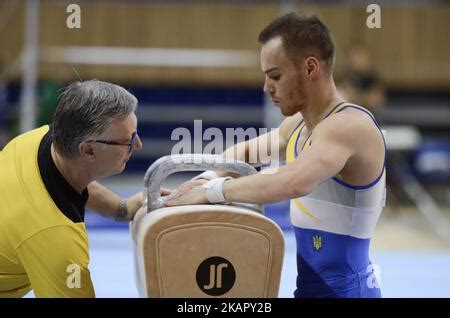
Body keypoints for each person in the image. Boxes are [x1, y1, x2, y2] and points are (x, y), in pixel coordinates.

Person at [165, 13, 386, 298]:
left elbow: (292, 182)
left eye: (275, 76)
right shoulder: (298, 123)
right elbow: (244, 152)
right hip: (312, 290)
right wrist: (200, 183)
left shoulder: (348, 126)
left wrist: (213, 191)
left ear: (309, 68)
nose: (267, 88)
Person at [0, 79, 145, 297]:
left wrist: (120, 207)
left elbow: (76, 179)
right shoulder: (59, 243)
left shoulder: (38, 139)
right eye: (128, 139)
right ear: (88, 151)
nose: (138, 145)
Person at [337, 43, 386, 115]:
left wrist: (356, 98)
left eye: (359, 56)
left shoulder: (373, 78)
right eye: (352, 56)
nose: (355, 60)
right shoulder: (344, 78)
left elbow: (375, 101)